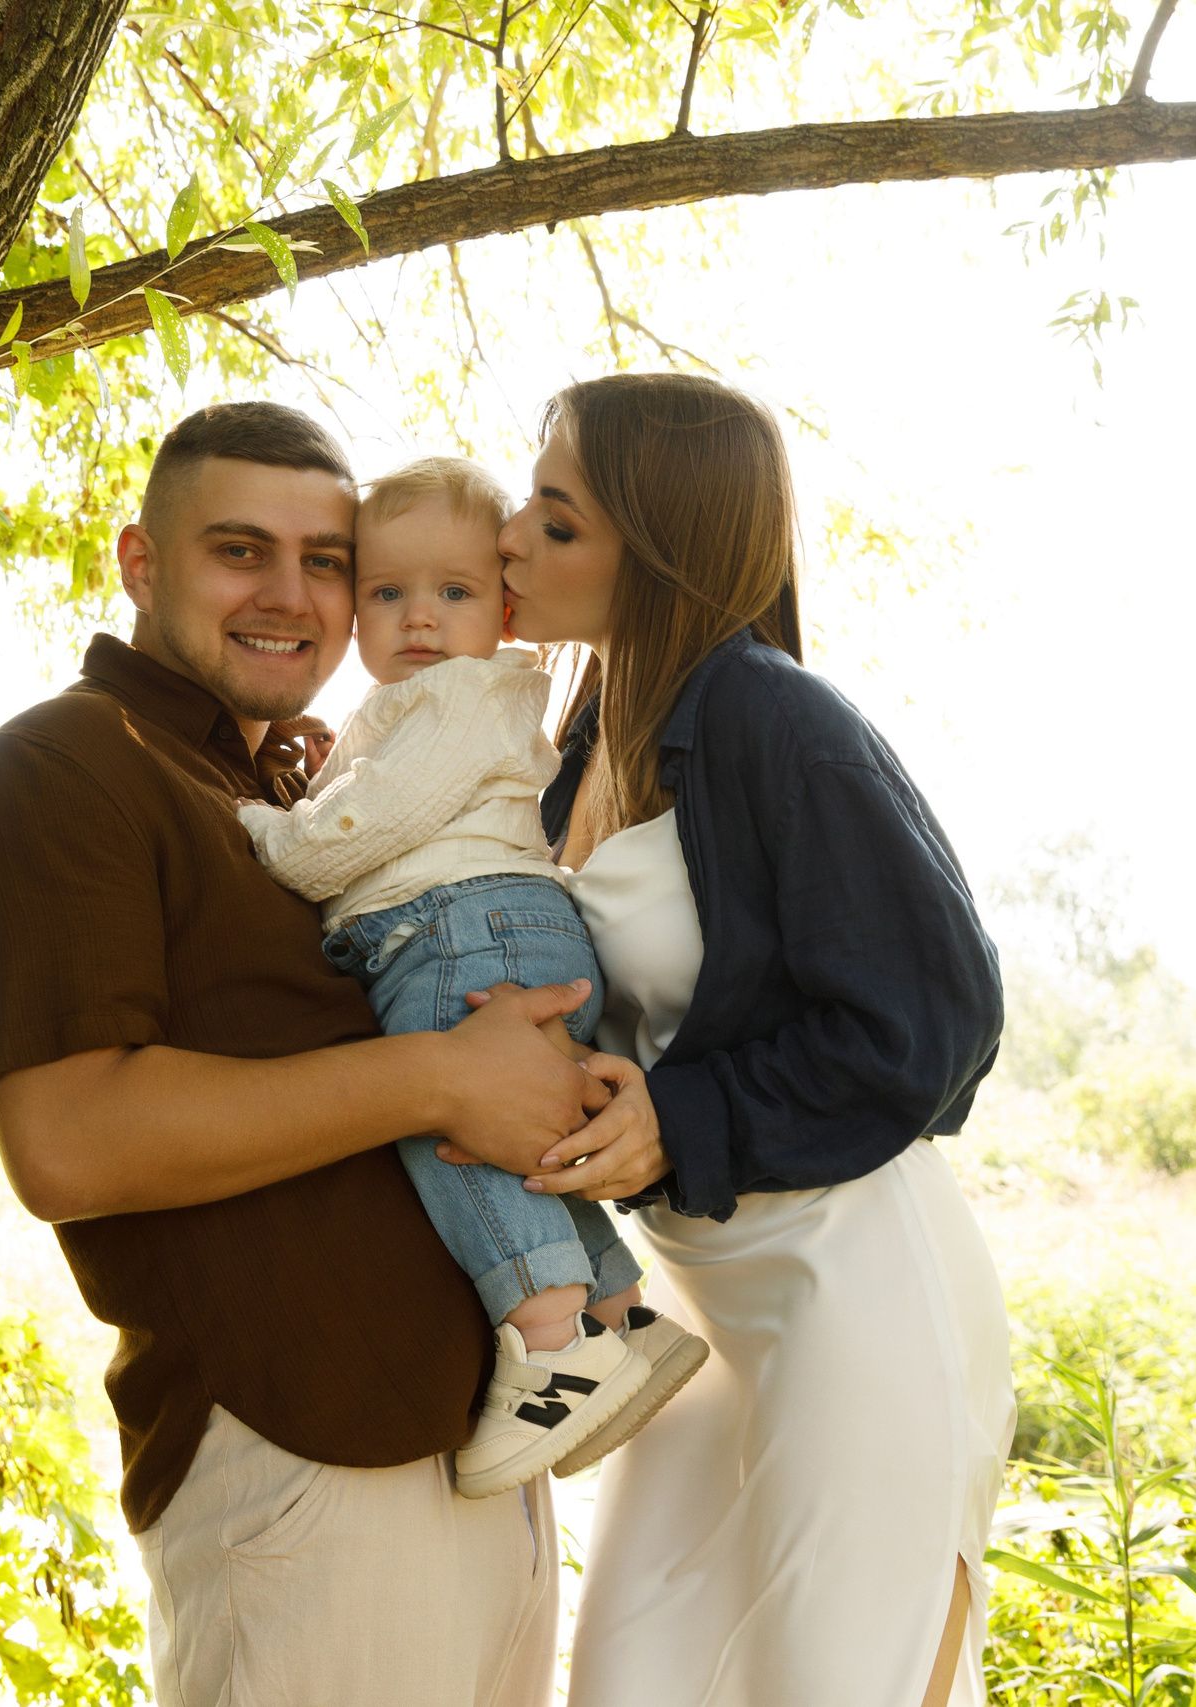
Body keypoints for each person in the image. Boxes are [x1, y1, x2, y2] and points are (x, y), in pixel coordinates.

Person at [0, 402, 659, 1707]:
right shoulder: (63, 766)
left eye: (325, 558)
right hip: (302, 1469)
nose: (289, 593)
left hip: (474, 1455)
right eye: (237, 550)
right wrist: (444, 1075)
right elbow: (64, 1138)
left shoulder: (286, 787)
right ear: (141, 562)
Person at [492, 373, 1015, 1707]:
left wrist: (680, 1115)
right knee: (627, 1678)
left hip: (852, 1297)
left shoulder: (785, 726)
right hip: (694, 1315)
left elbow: (935, 1019)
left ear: (655, 549)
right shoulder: (577, 744)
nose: (509, 537)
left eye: (557, 522)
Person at [237, 456, 708, 1498]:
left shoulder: (457, 696)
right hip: (487, 920)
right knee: (520, 1131)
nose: (419, 618)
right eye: (386, 592)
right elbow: (382, 788)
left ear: (504, 609)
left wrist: (274, 835)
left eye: (452, 593)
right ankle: (619, 1316)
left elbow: (361, 829)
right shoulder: (438, 700)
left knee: (449, 1125)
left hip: (456, 928)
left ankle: (549, 1353)